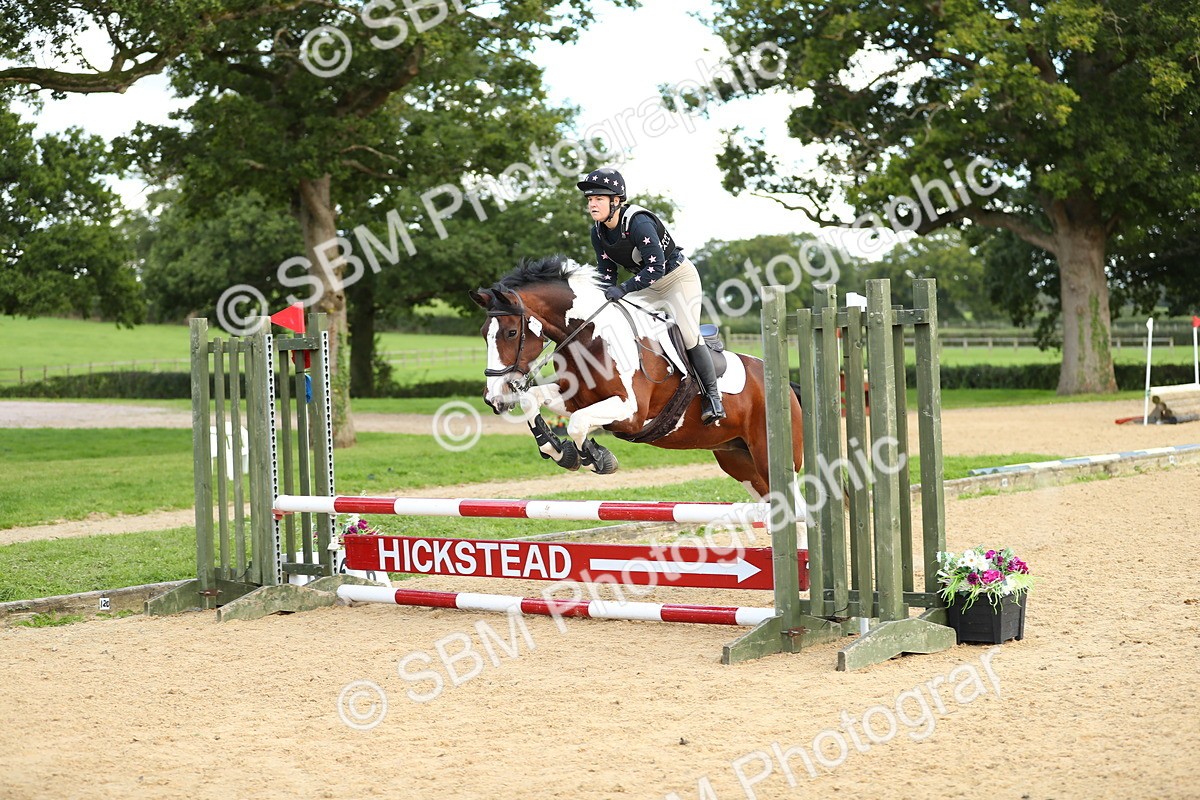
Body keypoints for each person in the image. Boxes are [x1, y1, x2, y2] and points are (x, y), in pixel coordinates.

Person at [577, 167, 726, 424]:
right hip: (646, 284)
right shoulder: (598, 232)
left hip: (677, 279)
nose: (592, 204)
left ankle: (713, 398)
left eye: (599, 198)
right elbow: (607, 272)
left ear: (616, 201)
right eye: (590, 199)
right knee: (616, 319)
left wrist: (623, 289)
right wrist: (600, 297)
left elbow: (656, 268)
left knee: (688, 333)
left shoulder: (639, 223)